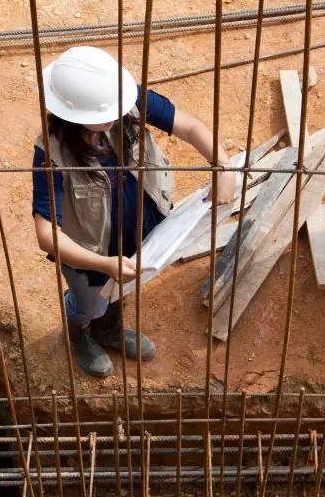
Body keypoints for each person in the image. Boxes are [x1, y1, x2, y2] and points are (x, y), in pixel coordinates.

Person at [32, 46, 236, 378]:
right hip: (91, 254)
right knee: (91, 301)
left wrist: (224, 168)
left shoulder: (123, 99)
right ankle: (80, 329)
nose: (118, 114)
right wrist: (103, 264)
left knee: (123, 288)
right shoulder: (51, 153)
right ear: (75, 115)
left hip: (142, 226)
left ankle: (108, 329)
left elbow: (190, 127)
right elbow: (46, 233)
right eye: (105, 113)